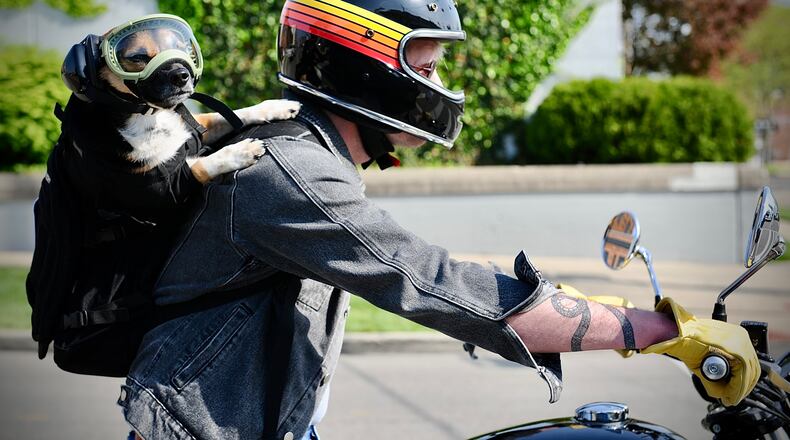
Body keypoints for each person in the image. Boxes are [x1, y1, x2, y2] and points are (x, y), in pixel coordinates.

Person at [119, 0, 759, 439]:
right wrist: (657, 328)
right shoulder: (288, 170)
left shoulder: (309, 153)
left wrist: (586, 304)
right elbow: (431, 282)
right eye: (423, 67)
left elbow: (426, 268)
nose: (439, 84)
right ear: (362, 62)